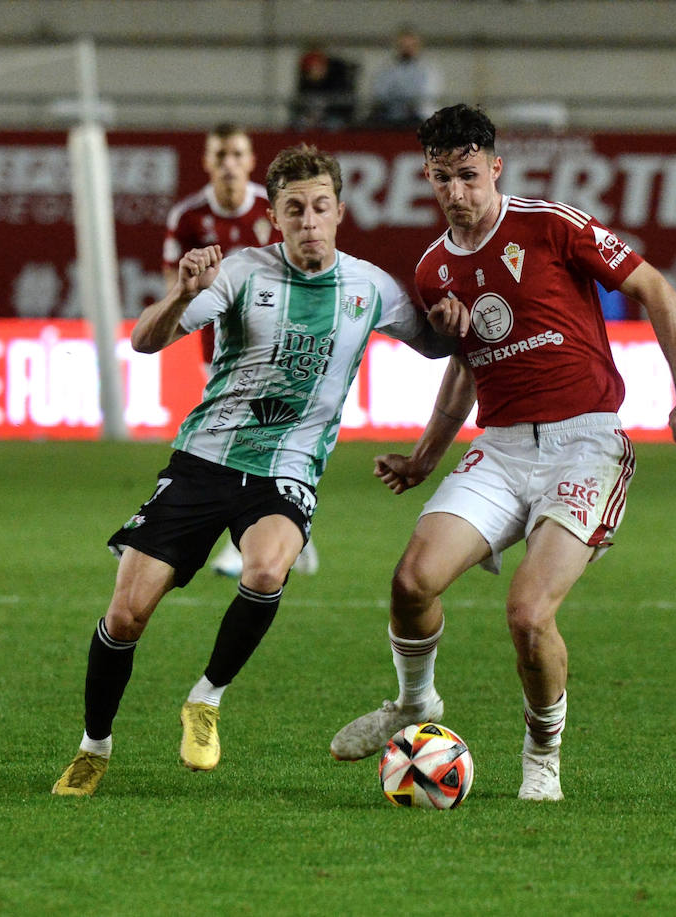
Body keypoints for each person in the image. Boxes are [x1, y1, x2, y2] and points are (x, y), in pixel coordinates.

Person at [52, 144, 462, 797]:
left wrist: (456, 318)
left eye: (320, 207)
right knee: (127, 614)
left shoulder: (370, 287)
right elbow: (147, 339)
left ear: (339, 212)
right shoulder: (243, 271)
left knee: (268, 567)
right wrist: (181, 292)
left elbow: (437, 341)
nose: (308, 220)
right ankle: (93, 745)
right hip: (204, 460)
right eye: (293, 209)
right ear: (274, 216)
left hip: (288, 470)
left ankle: (206, 698)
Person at [329, 105, 676, 802]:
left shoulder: (551, 225)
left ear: (495, 168)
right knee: (412, 583)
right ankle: (417, 702)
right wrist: (422, 457)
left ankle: (542, 757)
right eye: (442, 177)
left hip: (585, 442)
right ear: (428, 177)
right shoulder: (434, 267)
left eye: (468, 175)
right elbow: (467, 369)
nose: (456, 190)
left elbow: (654, 287)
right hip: (500, 449)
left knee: (528, 614)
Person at [161, 124, 314, 577]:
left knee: (247, 438)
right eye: (220, 154)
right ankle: (295, 538)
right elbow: (175, 288)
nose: (228, 162)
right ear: (207, 161)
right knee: (254, 438)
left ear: (251, 161)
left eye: (237, 153)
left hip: (277, 341)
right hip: (219, 347)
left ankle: (242, 543)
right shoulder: (187, 216)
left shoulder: (271, 212)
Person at [367, 26, 442, 128]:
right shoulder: (386, 69)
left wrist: (404, 101)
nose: (407, 49)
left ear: (418, 46)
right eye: (403, 45)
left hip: (419, 116)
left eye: (411, 45)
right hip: (390, 116)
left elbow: (428, 94)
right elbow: (379, 93)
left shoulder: (428, 70)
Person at [289, 44, 358, 130]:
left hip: (332, 119)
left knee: (334, 124)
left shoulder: (336, 83)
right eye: (312, 70)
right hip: (311, 120)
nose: (317, 71)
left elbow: (344, 109)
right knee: (299, 124)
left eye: (319, 68)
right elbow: (299, 108)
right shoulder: (305, 86)